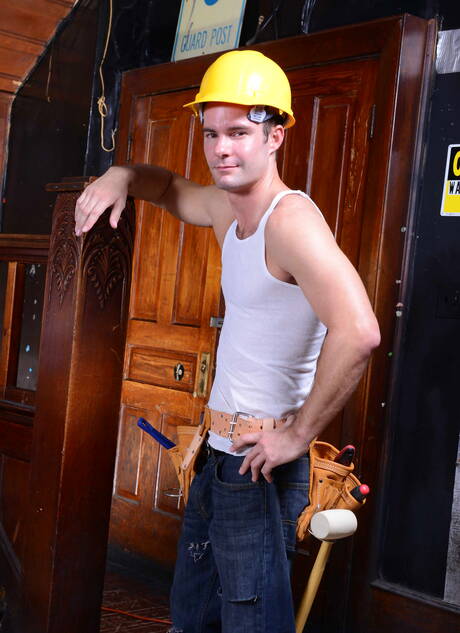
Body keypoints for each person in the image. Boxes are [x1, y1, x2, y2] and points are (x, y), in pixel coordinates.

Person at [75, 50, 380, 633]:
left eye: (239, 132)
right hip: (219, 454)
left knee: (250, 624)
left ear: (275, 136)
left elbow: (361, 331)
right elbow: (168, 186)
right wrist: (121, 175)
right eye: (212, 133)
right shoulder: (225, 208)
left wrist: (296, 436)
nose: (221, 148)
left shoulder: (289, 222)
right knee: (193, 616)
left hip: (259, 464)